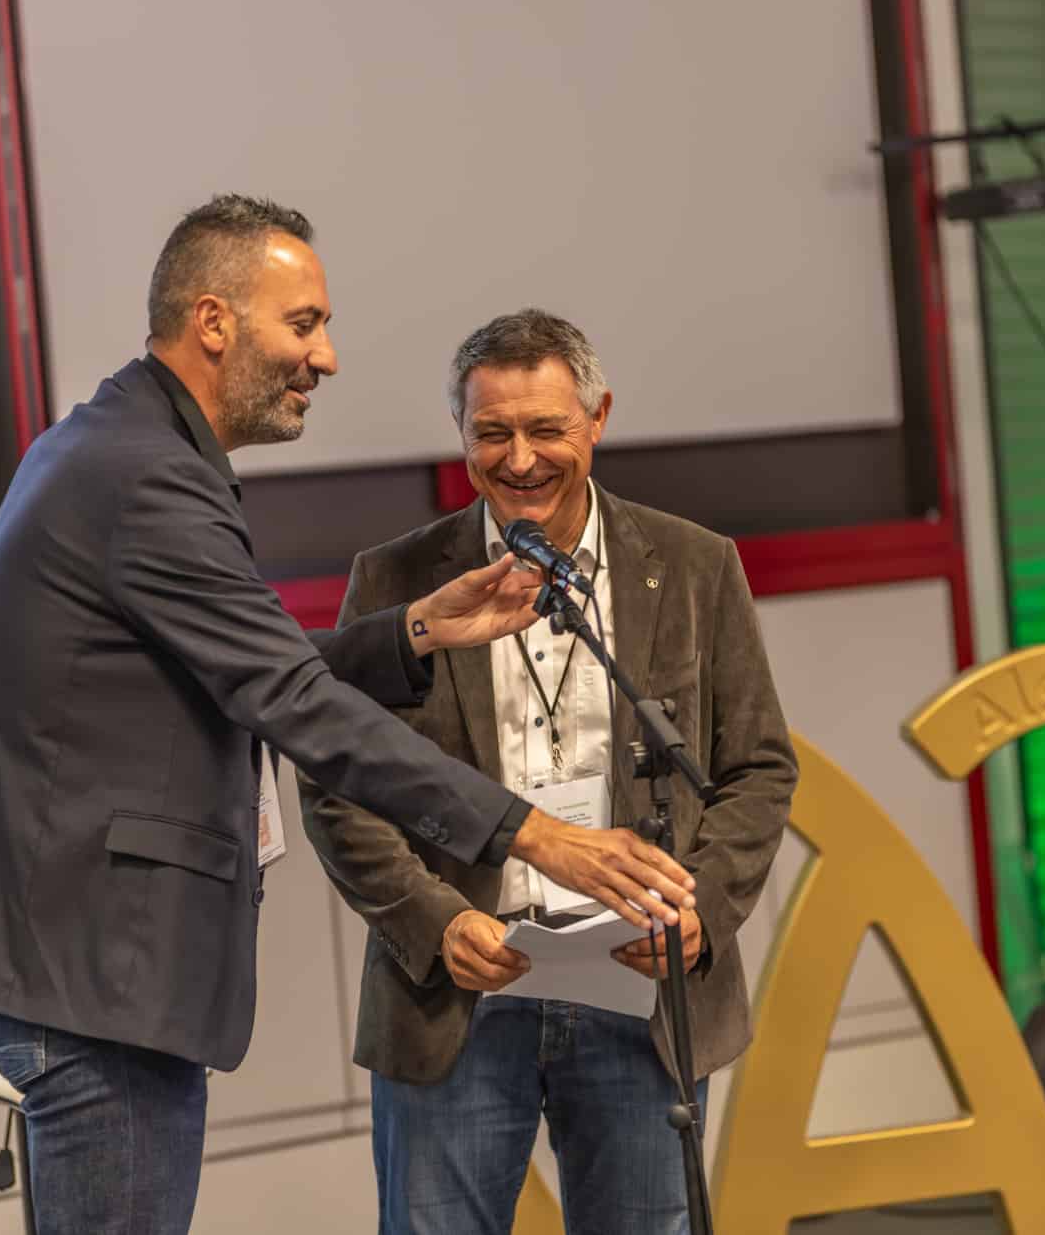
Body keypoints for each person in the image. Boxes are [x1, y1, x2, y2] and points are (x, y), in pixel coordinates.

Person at [0, 198, 696, 1234]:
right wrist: (533, 834)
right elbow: (288, 698)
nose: (325, 356)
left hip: (85, 968)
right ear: (213, 321)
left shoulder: (120, 444)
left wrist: (414, 631)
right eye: (303, 324)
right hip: (92, 978)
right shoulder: (145, 477)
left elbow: (233, 671)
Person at [301, 308, 799, 1235]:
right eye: (492, 432)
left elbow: (758, 767)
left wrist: (699, 912)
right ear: (460, 432)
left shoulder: (695, 567)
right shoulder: (396, 581)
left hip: (641, 990)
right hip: (457, 990)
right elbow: (338, 787)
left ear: (598, 418)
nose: (520, 458)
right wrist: (436, 921)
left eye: (546, 429)